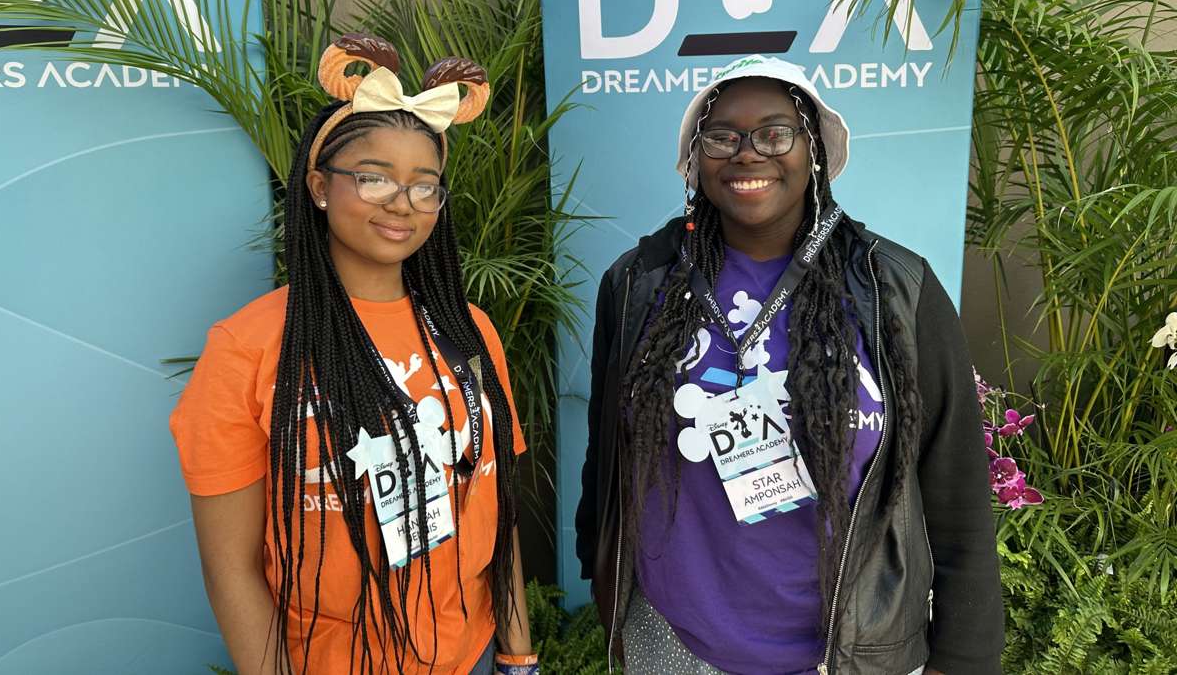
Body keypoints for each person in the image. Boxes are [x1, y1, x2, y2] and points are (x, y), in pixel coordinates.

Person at [574, 55, 1003, 675]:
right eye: (721, 137)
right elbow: (606, 451)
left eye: (775, 134)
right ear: (695, 157)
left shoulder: (894, 289)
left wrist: (965, 655)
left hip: (853, 651)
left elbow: (955, 476)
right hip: (674, 642)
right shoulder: (640, 281)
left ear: (814, 150)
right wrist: (601, 574)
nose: (748, 154)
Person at [172, 34, 540, 675]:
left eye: (425, 186)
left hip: (472, 653)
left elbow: (495, 502)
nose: (402, 202)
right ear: (319, 186)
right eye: (373, 178)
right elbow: (230, 569)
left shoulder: (470, 329)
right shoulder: (246, 349)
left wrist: (518, 654)